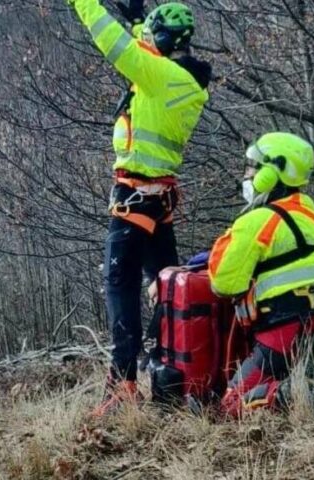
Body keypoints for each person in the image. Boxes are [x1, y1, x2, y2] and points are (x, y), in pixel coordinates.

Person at [67, 0, 212, 416]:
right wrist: (136, 19)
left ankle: (122, 382)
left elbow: (116, 45)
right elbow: (140, 47)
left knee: (121, 286)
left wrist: (85, 4)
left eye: (150, 34)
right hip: (156, 198)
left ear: (162, 40)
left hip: (136, 197)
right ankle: (170, 376)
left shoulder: (158, 76)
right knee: (165, 287)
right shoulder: (181, 78)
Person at [208, 132, 314, 417]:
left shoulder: (257, 221)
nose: (248, 174)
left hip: (281, 329)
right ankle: (306, 387)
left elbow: (224, 282)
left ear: (271, 173)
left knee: (231, 404)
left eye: (253, 167)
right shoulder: (313, 213)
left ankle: (288, 393)